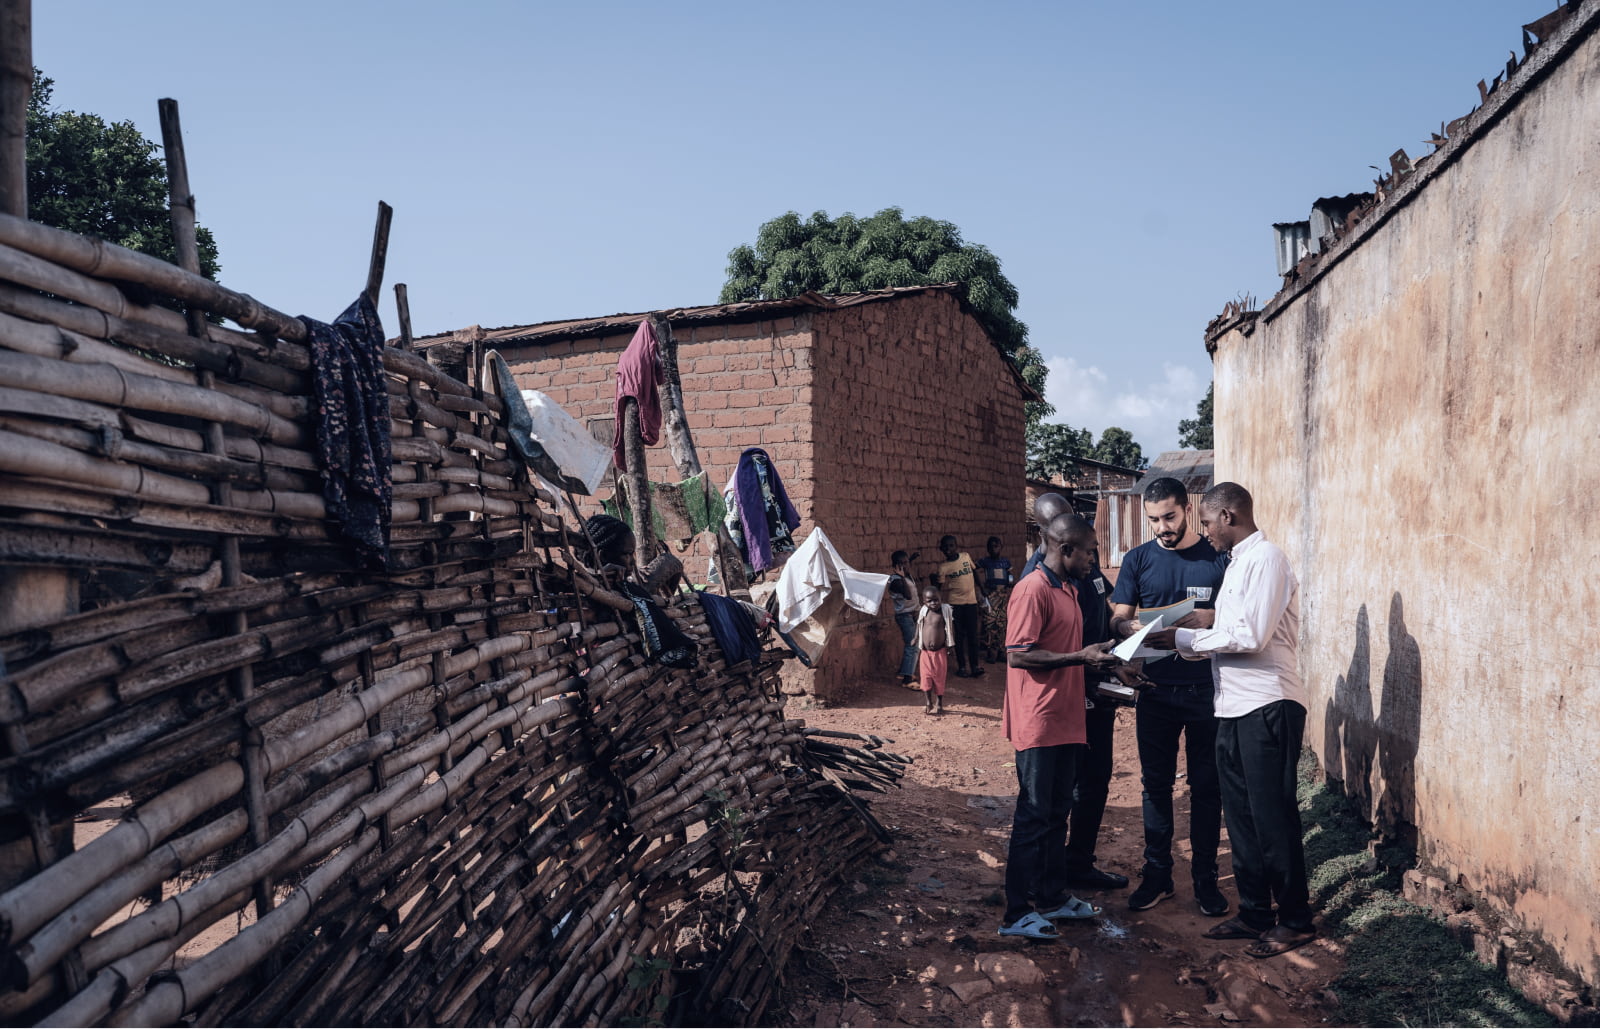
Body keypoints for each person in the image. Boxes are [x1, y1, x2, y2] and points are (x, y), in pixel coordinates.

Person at [1146, 482, 1316, 957]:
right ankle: (1256, 912)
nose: (1204, 532)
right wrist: (1199, 624)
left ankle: (1296, 919)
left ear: (1228, 516)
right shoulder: (1240, 562)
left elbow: (1252, 636)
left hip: (1268, 703)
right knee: (1239, 817)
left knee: (1272, 815)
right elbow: (1230, 627)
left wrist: (1184, 643)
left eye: (1205, 522)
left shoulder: (1268, 560)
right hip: (1232, 705)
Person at [997, 514, 1124, 940]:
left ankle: (1052, 897)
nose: (1094, 560)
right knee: (1033, 815)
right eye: (1089, 551)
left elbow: (1072, 650)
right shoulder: (1032, 589)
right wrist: (1080, 658)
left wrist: (1103, 656)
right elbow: (1018, 655)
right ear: (1065, 549)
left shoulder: (1069, 589)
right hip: (1039, 721)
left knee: (1056, 813)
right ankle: (1016, 913)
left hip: (1067, 718)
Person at [1110, 477, 1231, 917]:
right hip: (1155, 693)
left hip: (1207, 693)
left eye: (1170, 517)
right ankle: (1157, 875)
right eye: (1154, 520)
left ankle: (1205, 881)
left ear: (1187, 508)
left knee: (1206, 788)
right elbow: (1119, 618)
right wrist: (1130, 631)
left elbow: (1243, 614)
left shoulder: (1218, 558)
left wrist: (1211, 616)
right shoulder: (1138, 560)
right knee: (1155, 787)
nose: (1162, 527)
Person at [934, 535, 983, 678]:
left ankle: (975, 666)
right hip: (955, 604)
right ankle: (962, 666)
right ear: (941, 549)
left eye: (951, 546)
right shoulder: (943, 567)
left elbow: (974, 572)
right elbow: (939, 586)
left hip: (971, 602)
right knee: (960, 636)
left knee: (973, 635)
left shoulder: (966, 557)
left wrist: (981, 589)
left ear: (956, 546)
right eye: (946, 547)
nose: (949, 549)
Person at [976, 536, 1015, 664]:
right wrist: (982, 587)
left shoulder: (1005, 562)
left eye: (996, 546)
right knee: (990, 623)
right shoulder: (985, 562)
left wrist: (1010, 583)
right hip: (991, 596)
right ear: (987, 549)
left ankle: (1000, 651)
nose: (994, 549)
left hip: (1003, 595)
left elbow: (1010, 575)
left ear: (1001, 547)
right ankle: (991, 652)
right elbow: (973, 569)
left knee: (1002, 623)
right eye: (991, 547)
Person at [917, 585, 953, 715]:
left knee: (939, 678)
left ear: (941, 598)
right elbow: (919, 625)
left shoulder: (945, 611)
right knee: (925, 677)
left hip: (940, 652)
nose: (933, 603)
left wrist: (951, 645)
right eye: (929, 601)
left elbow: (949, 628)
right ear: (924, 602)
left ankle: (939, 703)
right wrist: (915, 638)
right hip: (925, 652)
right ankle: (928, 702)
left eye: (936, 600)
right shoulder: (923, 611)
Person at [887, 550, 920, 686]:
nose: (906, 566)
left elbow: (907, 563)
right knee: (912, 645)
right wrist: (900, 576)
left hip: (913, 613)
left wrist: (911, 558)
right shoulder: (896, 581)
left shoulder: (906, 576)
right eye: (902, 564)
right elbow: (908, 595)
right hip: (904, 616)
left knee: (914, 643)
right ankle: (908, 679)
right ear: (896, 566)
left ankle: (904, 672)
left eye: (907, 562)